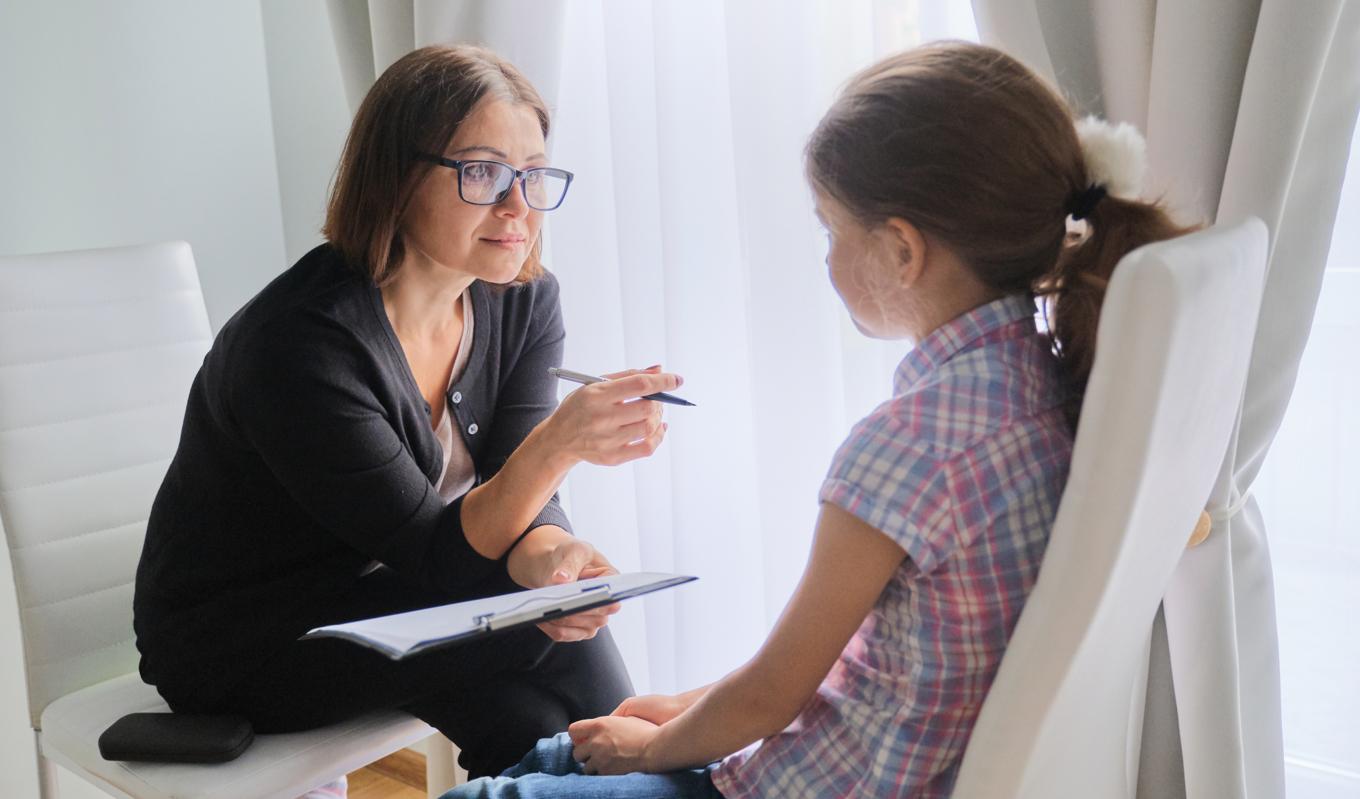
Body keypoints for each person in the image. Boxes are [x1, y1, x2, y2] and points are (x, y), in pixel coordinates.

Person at [444, 40, 1193, 799]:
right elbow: (844, 667)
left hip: (811, 785)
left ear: (902, 250)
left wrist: (658, 747)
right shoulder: (1051, 381)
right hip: (870, 758)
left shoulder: (909, 445)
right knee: (553, 756)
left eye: (832, 231)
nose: (827, 257)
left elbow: (776, 692)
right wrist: (685, 710)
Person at [132, 44, 682, 781]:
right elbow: (442, 558)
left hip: (398, 599)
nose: (517, 206)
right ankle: (670, 777)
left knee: (528, 723)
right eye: (483, 172)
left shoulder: (521, 298)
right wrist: (562, 443)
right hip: (246, 640)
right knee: (557, 645)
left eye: (532, 175)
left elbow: (515, 492)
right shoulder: (298, 342)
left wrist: (552, 556)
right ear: (396, 176)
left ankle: (655, 777)